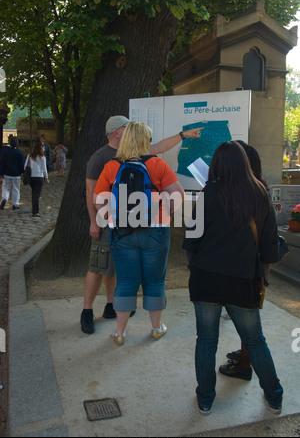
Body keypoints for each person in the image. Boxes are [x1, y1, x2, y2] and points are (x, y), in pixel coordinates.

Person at [183, 141, 283, 415]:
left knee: (205, 341)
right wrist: (259, 275)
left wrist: (196, 268)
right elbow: (269, 248)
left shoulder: (207, 194)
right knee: (255, 341)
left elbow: (191, 240)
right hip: (243, 282)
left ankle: (205, 400)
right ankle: (274, 396)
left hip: (206, 280)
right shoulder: (260, 194)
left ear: (216, 165)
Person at [81, 115, 202, 335]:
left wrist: (114, 218)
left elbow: (98, 200)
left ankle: (120, 332)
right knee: (154, 280)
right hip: (155, 232)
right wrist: (163, 212)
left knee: (125, 281)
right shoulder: (157, 164)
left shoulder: (111, 166)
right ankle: (156, 328)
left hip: (122, 233)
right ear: (144, 140)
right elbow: (178, 194)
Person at [25, 140, 49, 217]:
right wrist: (46, 178)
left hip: (31, 177)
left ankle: (34, 210)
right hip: (39, 177)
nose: (44, 148)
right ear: (40, 148)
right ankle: (36, 211)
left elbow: (25, 166)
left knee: (34, 193)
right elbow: (44, 169)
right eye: (43, 147)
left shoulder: (29, 156)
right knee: (37, 195)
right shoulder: (42, 157)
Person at [0, 136, 25, 210]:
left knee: (5, 188)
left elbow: (2, 162)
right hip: (16, 174)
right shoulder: (19, 153)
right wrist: (22, 172)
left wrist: (2, 172)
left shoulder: (5, 152)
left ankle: (4, 199)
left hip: (6, 173)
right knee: (16, 189)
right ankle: (15, 204)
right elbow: (22, 165)